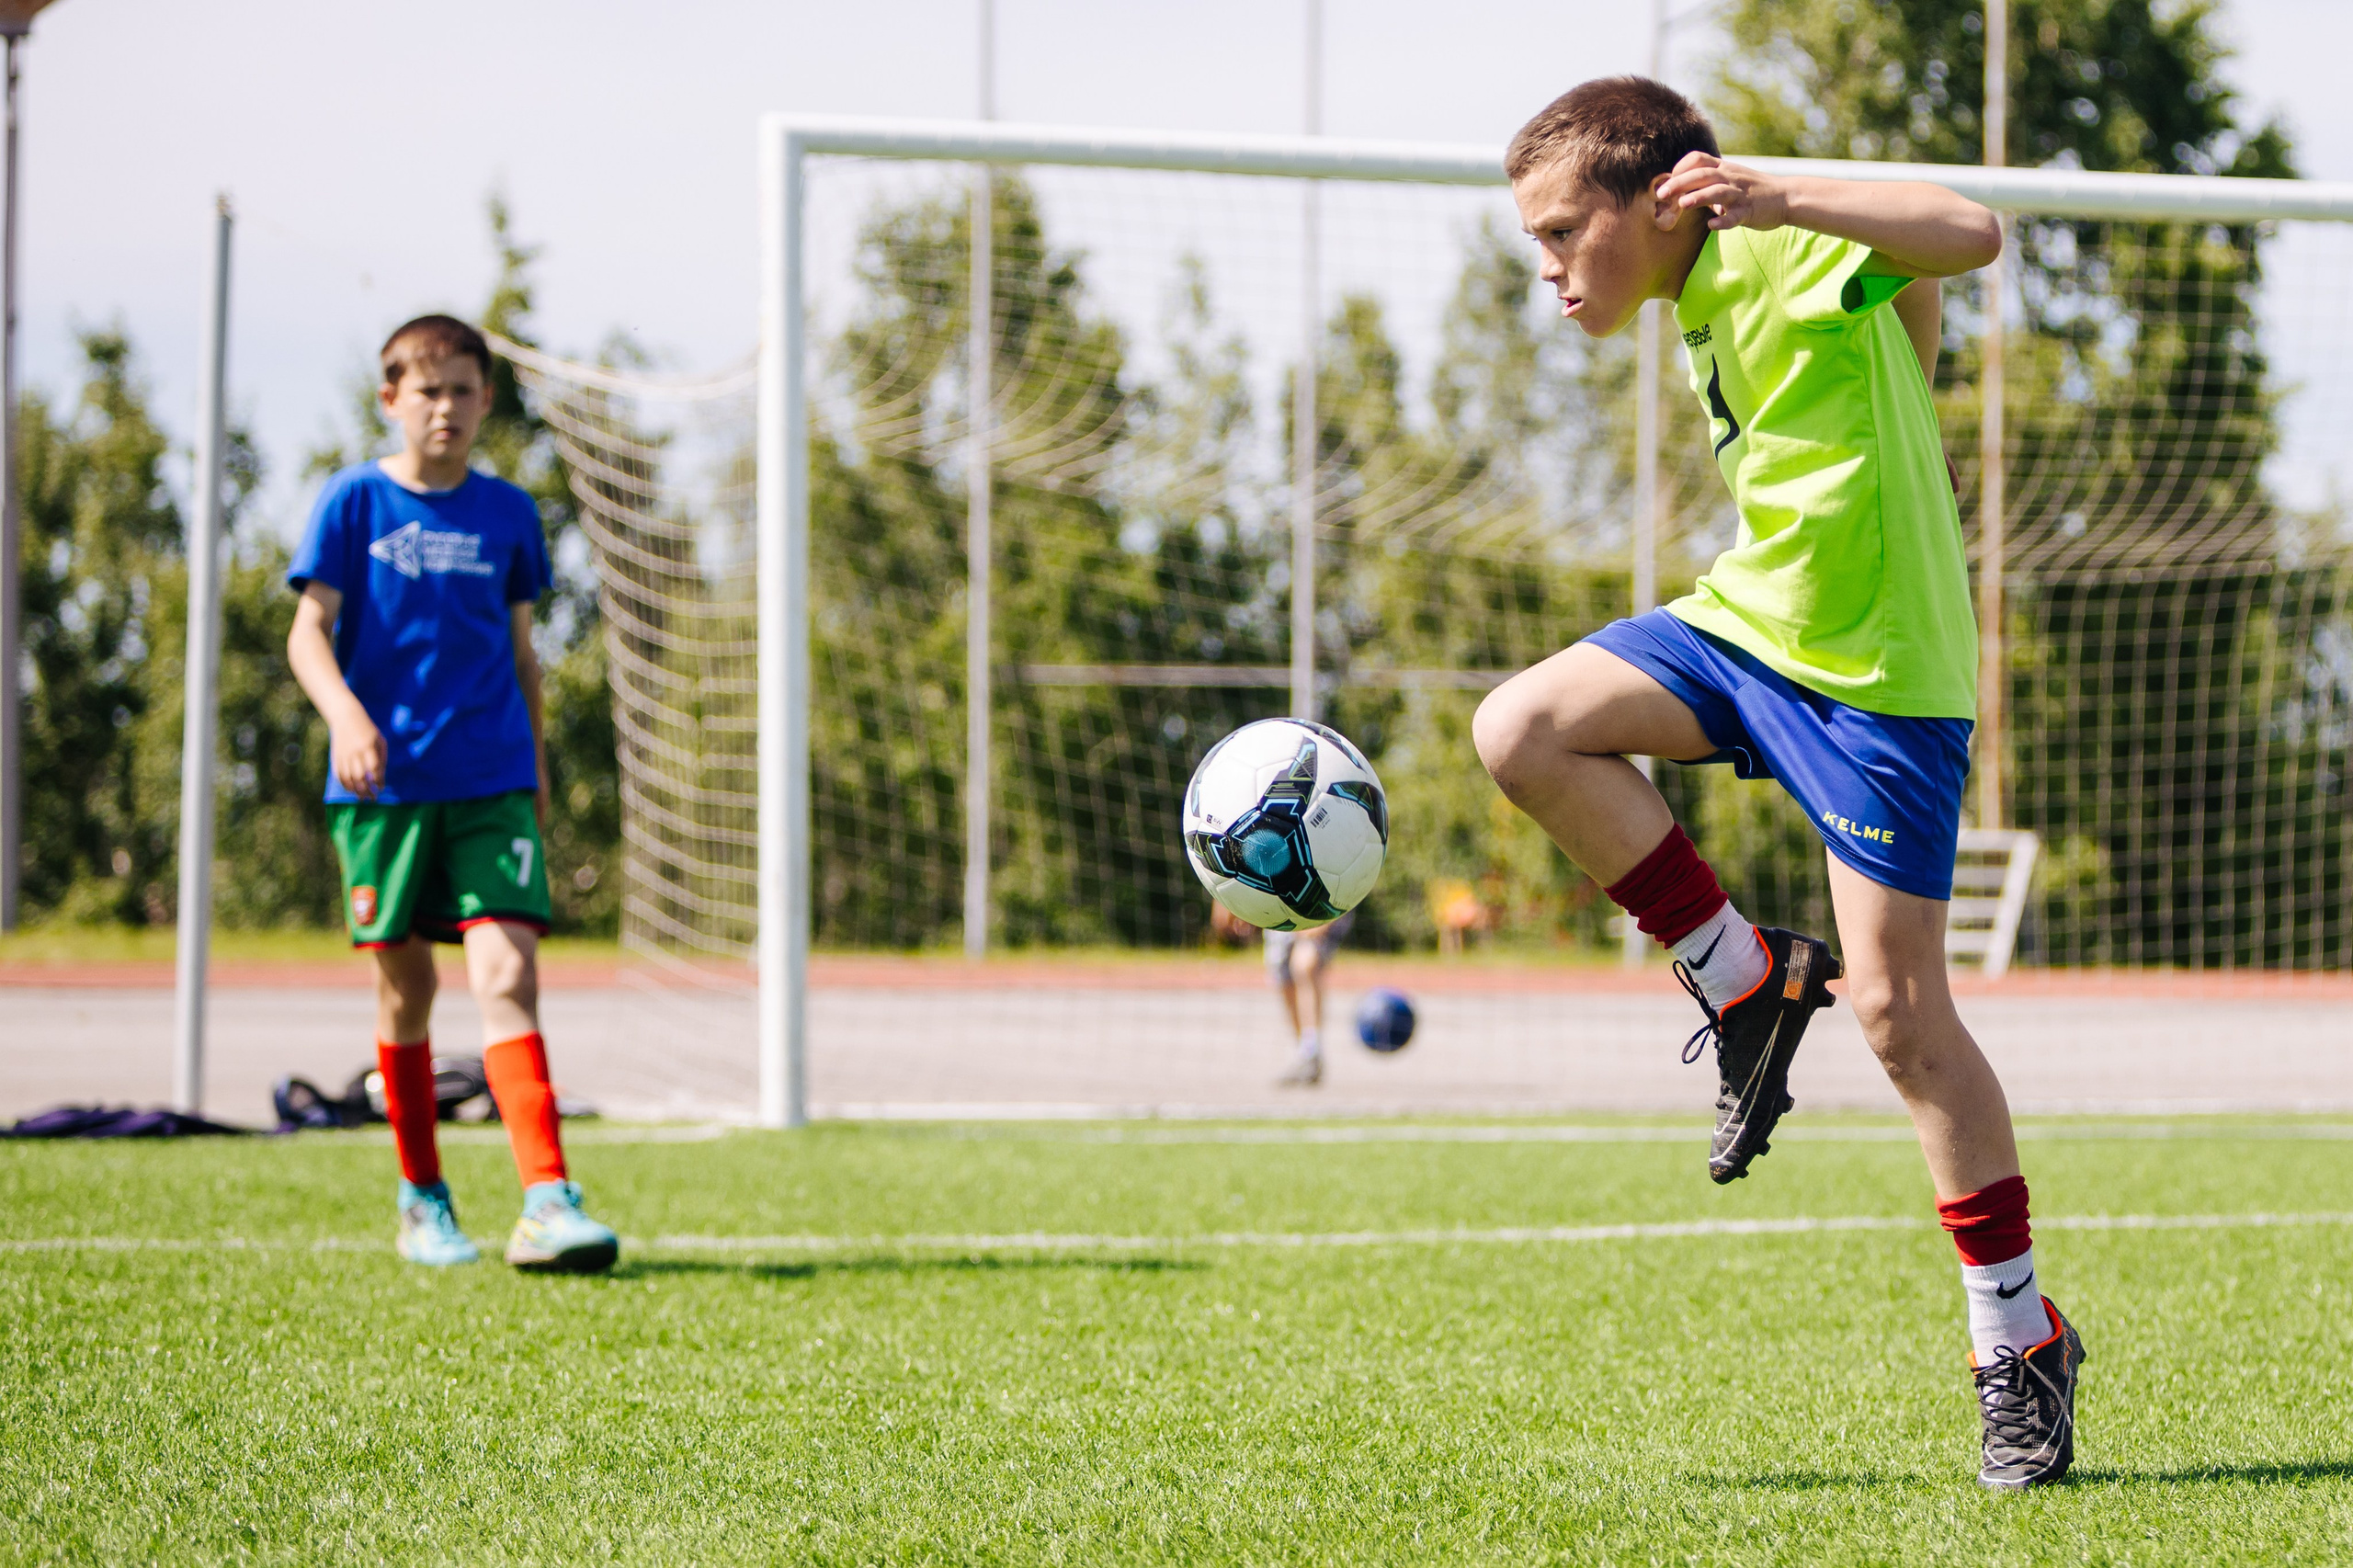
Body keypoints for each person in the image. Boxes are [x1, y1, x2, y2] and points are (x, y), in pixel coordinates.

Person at [1472, 78, 2081, 1489]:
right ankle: (1743, 976)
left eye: (1566, 235)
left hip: (1879, 676)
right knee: (1524, 729)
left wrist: (1775, 193)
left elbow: (1969, 231)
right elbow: (1906, 328)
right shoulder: (1696, 294)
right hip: (1751, 629)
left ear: (1663, 198)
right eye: (1537, 248)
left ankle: (2017, 1338)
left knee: (1900, 1013)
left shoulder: (1773, 233)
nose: (1552, 272)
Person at [287, 314, 619, 1274]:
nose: (447, 407)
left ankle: (547, 1198)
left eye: (464, 389)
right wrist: (348, 718)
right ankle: (422, 1195)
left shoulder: (510, 514)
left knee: (507, 972)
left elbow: (523, 654)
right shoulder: (351, 502)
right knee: (410, 987)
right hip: (386, 791)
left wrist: (539, 762)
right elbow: (309, 633)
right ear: (391, 398)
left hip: (491, 781)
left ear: (485, 399)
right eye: (427, 390)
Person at [1268, 911, 1352, 1086]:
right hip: (1278, 900)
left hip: (1320, 900)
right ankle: (1305, 1053)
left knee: (1305, 965)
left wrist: (1327, 915)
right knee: (1282, 975)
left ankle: (1311, 1050)